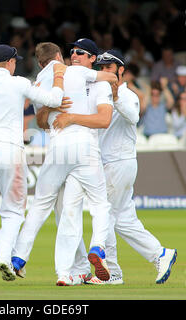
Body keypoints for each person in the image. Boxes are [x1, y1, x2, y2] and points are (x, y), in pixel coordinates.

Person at [52, 49, 177, 285]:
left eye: (109, 68)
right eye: (101, 68)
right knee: (124, 219)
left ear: (121, 70)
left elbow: (133, 117)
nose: (104, 72)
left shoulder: (126, 94)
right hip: (111, 163)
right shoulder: (99, 92)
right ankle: (160, 254)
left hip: (118, 162)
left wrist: (116, 96)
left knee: (106, 216)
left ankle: (114, 272)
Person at [0, 44, 67, 287]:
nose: (15, 64)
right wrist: (58, 76)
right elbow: (55, 99)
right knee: (14, 211)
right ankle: (3, 256)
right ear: (9, 62)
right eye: (14, 61)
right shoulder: (18, 83)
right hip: (10, 152)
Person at [11, 39, 119, 285]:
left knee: (45, 206)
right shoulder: (76, 71)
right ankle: (98, 247)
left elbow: (40, 121)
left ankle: (22, 259)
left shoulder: (39, 82)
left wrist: (52, 109)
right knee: (100, 205)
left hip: (58, 148)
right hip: (85, 147)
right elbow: (111, 79)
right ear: (60, 55)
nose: (74, 55)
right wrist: (112, 84)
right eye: (71, 52)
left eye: (79, 52)